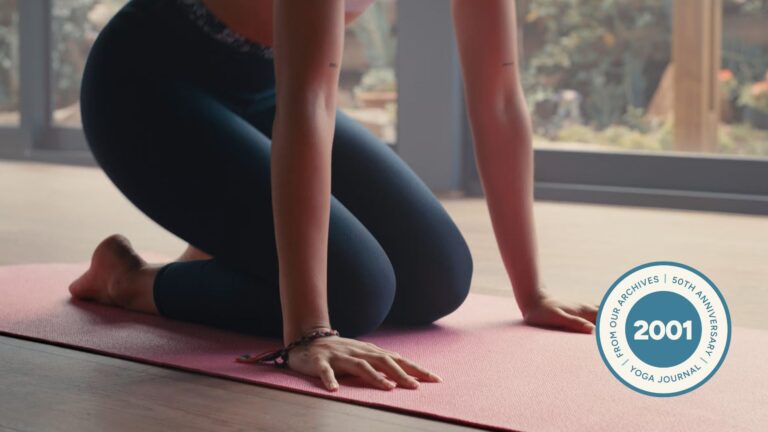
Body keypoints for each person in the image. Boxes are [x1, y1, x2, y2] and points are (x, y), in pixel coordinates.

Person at [70, 0, 599, 393]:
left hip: (265, 90)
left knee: (439, 279)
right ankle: (128, 280)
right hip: (147, 87)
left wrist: (532, 294)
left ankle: (229, 244)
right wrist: (308, 332)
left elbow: (500, 99)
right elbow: (310, 103)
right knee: (355, 293)